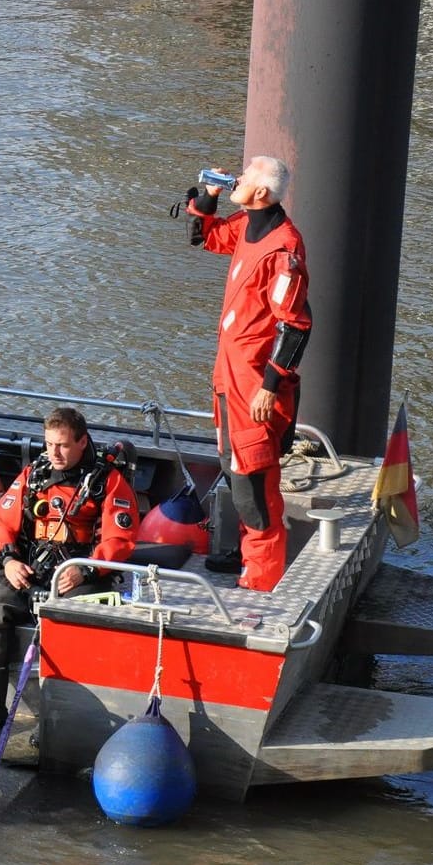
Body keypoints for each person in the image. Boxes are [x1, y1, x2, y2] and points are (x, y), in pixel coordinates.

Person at [184, 155, 313, 591]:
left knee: (253, 484)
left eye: (245, 175)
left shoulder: (284, 248)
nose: (236, 177)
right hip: (228, 375)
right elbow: (204, 237)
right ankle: (246, 558)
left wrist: (269, 388)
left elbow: (295, 324)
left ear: (262, 192)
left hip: (255, 383)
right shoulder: (245, 224)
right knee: (231, 466)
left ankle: (260, 582)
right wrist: (209, 196)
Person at [0, 407, 138, 732]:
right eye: (48, 444)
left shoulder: (108, 480)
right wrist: (9, 561)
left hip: (80, 574)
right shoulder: (35, 473)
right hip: (31, 568)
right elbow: (0, 523)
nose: (54, 453)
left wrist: (86, 571)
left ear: (81, 442)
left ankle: (61, 718)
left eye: (62, 445)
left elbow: (121, 539)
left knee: (73, 617)